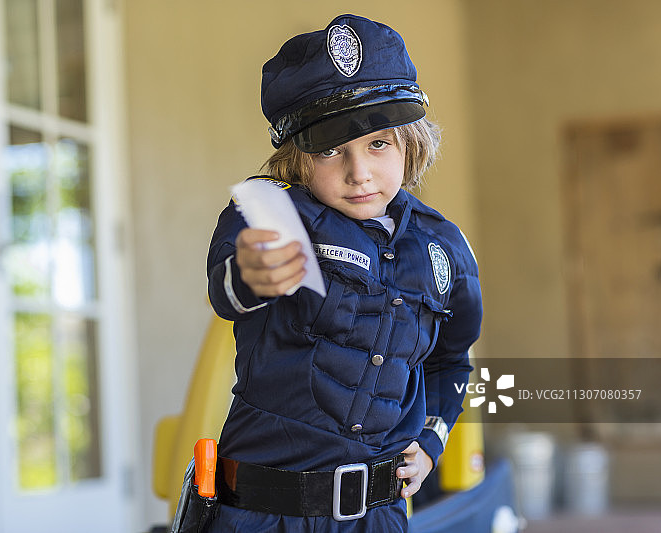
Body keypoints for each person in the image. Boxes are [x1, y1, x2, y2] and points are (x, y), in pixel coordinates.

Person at [204, 13, 482, 532]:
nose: (359, 172)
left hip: (379, 518)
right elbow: (226, 290)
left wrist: (431, 441)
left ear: (411, 142)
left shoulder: (444, 244)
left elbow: (451, 362)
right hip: (262, 515)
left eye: (379, 144)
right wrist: (250, 274)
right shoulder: (271, 213)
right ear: (298, 156)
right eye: (331, 150)